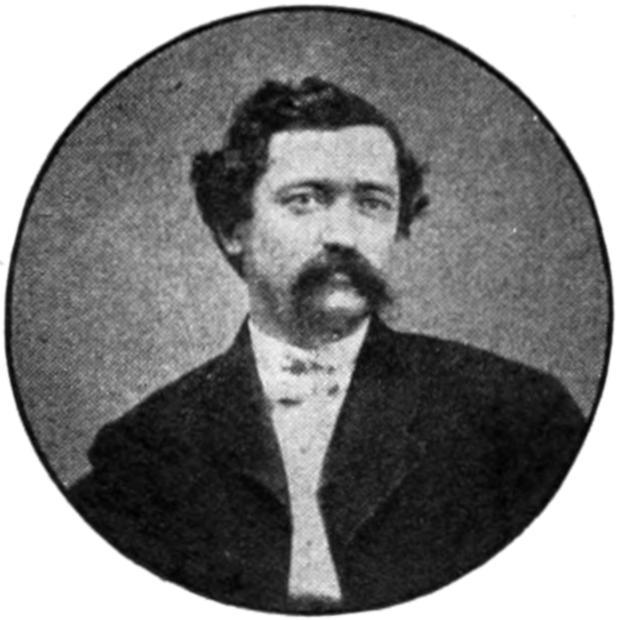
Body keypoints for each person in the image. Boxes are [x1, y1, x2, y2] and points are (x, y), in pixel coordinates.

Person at [69, 77, 586, 613]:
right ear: (232, 228)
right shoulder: (147, 452)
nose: (343, 234)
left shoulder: (517, 419)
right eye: (306, 200)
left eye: (372, 203)